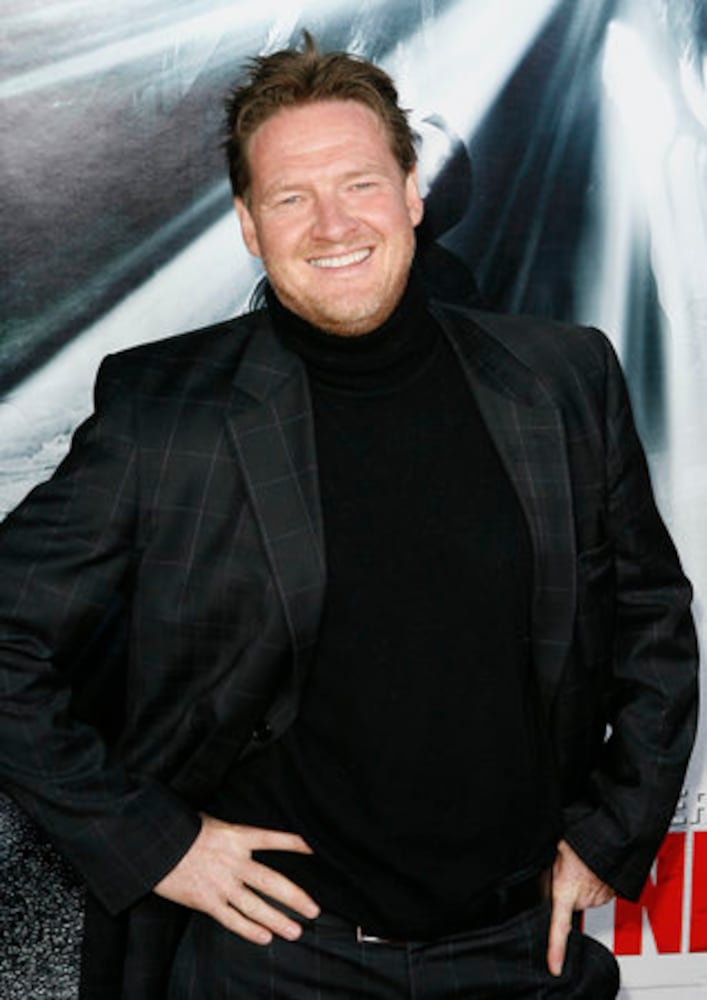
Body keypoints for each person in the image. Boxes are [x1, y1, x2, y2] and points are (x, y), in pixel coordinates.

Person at [0, 31, 698, 1000]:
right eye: (290, 197)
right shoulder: (165, 412)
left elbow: (650, 624)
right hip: (275, 962)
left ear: (411, 193)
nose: (332, 224)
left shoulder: (561, 378)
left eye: (359, 183)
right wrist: (156, 845)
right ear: (249, 225)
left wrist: (613, 833)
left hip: (515, 951)